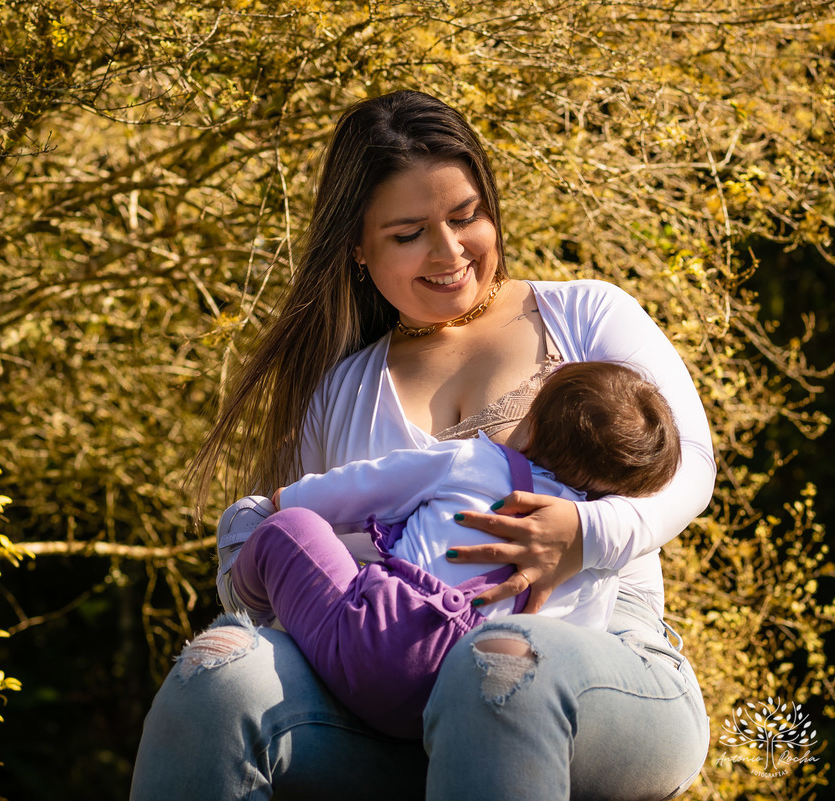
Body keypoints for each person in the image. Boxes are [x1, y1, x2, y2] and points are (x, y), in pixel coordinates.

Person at [131, 89, 715, 800]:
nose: (449, 252)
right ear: (356, 245)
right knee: (217, 672)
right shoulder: (340, 392)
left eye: (466, 216)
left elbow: (689, 464)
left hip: (604, 658)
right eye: (409, 233)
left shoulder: (582, 314)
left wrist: (583, 532)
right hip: (392, 694)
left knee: (493, 662)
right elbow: (304, 574)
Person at [220, 361, 681, 739]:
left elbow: (366, 486)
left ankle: (245, 589)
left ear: (532, 422)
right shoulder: (594, 562)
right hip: (459, 701)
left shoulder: (473, 461)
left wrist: (292, 499)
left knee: (289, 528)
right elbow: (576, 644)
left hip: (379, 642)